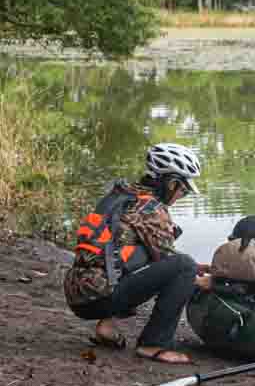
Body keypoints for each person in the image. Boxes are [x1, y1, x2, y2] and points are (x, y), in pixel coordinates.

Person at [63, 143, 212, 364]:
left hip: (77, 291)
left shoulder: (123, 194)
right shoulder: (153, 210)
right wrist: (204, 280)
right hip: (98, 297)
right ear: (171, 183)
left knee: (142, 259)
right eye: (183, 190)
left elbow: (131, 252)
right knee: (185, 265)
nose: (182, 195)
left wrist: (194, 270)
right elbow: (173, 263)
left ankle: (107, 325)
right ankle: (154, 344)